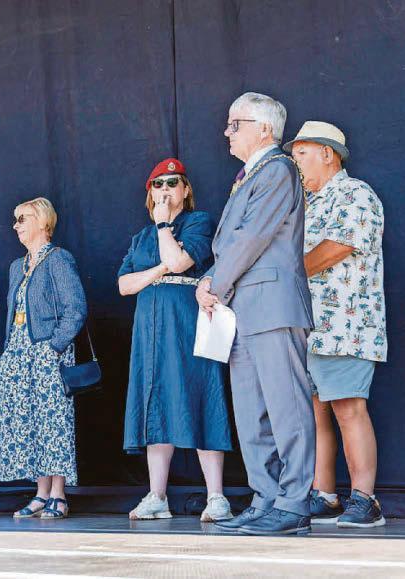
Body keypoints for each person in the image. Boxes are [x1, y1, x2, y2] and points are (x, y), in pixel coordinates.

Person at [196, 92, 314, 535]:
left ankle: (294, 502)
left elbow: (251, 237)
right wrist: (215, 282)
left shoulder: (278, 169)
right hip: (243, 308)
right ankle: (266, 498)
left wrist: (212, 282)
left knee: (287, 408)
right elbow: (233, 243)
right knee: (251, 412)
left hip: (272, 305)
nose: (228, 132)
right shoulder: (250, 175)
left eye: (235, 123)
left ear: (264, 129)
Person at [118, 158, 233, 522]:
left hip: (186, 324)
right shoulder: (140, 237)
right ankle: (157, 495)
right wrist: (161, 269)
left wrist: (166, 226)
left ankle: (216, 496)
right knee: (155, 402)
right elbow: (124, 285)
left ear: (185, 190)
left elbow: (182, 263)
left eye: (172, 184)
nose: (164, 190)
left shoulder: (197, 222)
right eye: (157, 185)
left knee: (200, 395)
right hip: (149, 331)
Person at [285, 121, 387, 528]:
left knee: (348, 408)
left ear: (328, 153)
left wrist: (283, 274)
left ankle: (366, 500)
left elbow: (335, 249)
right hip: (309, 328)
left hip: (345, 325)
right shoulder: (308, 201)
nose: (296, 165)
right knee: (315, 412)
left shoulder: (355, 194)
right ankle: (324, 494)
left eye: (301, 155)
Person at [0, 197, 87, 520]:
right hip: (18, 352)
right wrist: (9, 349)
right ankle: (40, 492)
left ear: (43, 221)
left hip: (47, 351)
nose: (16, 226)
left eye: (23, 219)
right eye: (15, 220)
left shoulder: (58, 259)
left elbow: (75, 309)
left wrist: (55, 346)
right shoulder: (17, 266)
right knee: (29, 423)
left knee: (52, 421)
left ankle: (58, 494)